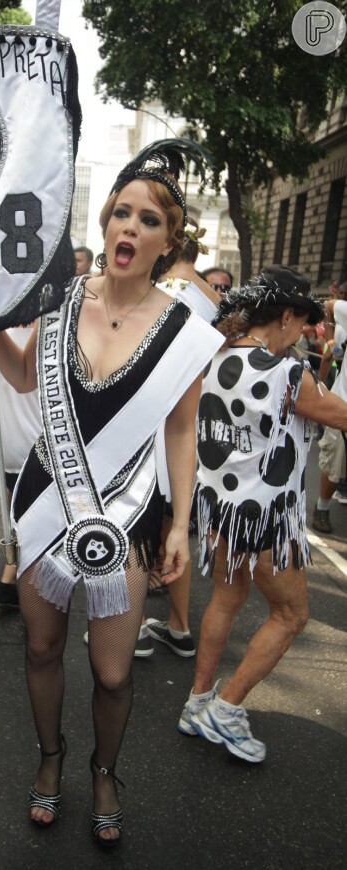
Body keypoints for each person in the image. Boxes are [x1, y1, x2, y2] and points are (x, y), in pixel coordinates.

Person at [0, 140, 222, 846]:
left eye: (147, 220)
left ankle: (105, 769)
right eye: (119, 213)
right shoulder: (59, 299)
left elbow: (181, 431)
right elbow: (26, 379)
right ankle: (52, 758)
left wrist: (180, 523)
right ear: (104, 225)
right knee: (39, 648)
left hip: (127, 510)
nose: (128, 227)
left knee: (114, 672)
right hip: (45, 495)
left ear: (167, 241)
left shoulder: (184, 328)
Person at [179, 265, 347, 763]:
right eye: (303, 322)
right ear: (288, 315)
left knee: (227, 600)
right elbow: (341, 415)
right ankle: (225, 709)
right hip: (266, 518)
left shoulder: (216, 355)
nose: (305, 333)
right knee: (292, 614)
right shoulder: (287, 373)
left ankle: (198, 700)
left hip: (221, 512)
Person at [144, 223, 219, 656]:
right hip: (193, 418)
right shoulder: (212, 297)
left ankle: (130, 628)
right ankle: (179, 625)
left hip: (155, 421)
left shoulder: (162, 291)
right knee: (175, 526)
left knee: (141, 526)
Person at [0, 325, 42, 609]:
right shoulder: (50, 327)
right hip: (40, 447)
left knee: (17, 512)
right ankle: (21, 586)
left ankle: (10, 577)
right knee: (37, 526)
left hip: (8, 445)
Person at [312, 282, 347, 532]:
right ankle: (321, 509)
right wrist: (332, 338)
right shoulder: (344, 311)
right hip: (342, 405)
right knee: (334, 465)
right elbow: (327, 307)